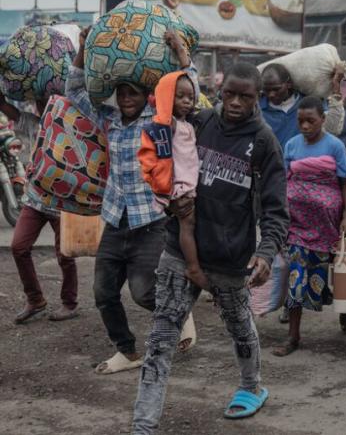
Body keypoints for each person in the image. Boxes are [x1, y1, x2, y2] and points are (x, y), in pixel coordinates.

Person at [132, 61, 289, 432]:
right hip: (179, 250)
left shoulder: (265, 142)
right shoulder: (198, 123)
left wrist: (266, 253)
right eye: (230, 93)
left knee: (238, 326)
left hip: (230, 260)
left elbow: (276, 209)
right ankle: (143, 423)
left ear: (257, 99)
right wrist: (169, 200)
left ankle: (251, 385)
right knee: (161, 338)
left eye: (245, 97)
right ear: (220, 91)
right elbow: (163, 166)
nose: (235, 102)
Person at [66, 27, 197, 374]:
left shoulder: (159, 121)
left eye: (133, 92)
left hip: (150, 221)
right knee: (103, 293)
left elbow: (189, 89)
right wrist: (82, 48)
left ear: (147, 94)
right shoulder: (108, 120)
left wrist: (181, 52)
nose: (126, 98)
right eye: (121, 92)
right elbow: (73, 89)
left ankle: (180, 311)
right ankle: (127, 351)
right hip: (115, 218)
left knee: (143, 293)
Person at [271, 96, 346, 357]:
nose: (305, 126)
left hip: (326, 224)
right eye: (301, 121)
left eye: (311, 121)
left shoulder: (335, 146)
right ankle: (293, 336)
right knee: (296, 273)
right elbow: (285, 179)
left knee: (326, 270)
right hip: (296, 223)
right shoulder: (292, 145)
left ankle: (343, 306)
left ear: (322, 119)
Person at [2, 97, 80, 324]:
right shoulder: (35, 123)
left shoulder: (74, 125)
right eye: (40, 100)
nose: (45, 103)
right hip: (36, 199)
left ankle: (69, 303)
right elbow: (8, 109)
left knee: (65, 255)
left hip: (63, 202)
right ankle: (35, 300)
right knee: (18, 246)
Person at [138, 71, 207, 290]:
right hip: (180, 185)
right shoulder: (170, 124)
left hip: (189, 181)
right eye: (180, 97)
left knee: (191, 226)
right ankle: (193, 267)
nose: (187, 102)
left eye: (190, 97)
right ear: (168, 97)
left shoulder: (186, 123)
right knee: (188, 225)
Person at [260, 63, 345, 148]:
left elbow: (332, 128)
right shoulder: (258, 110)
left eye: (276, 89)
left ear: (288, 84)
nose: (271, 94)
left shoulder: (311, 103)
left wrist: (338, 87)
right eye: (266, 90)